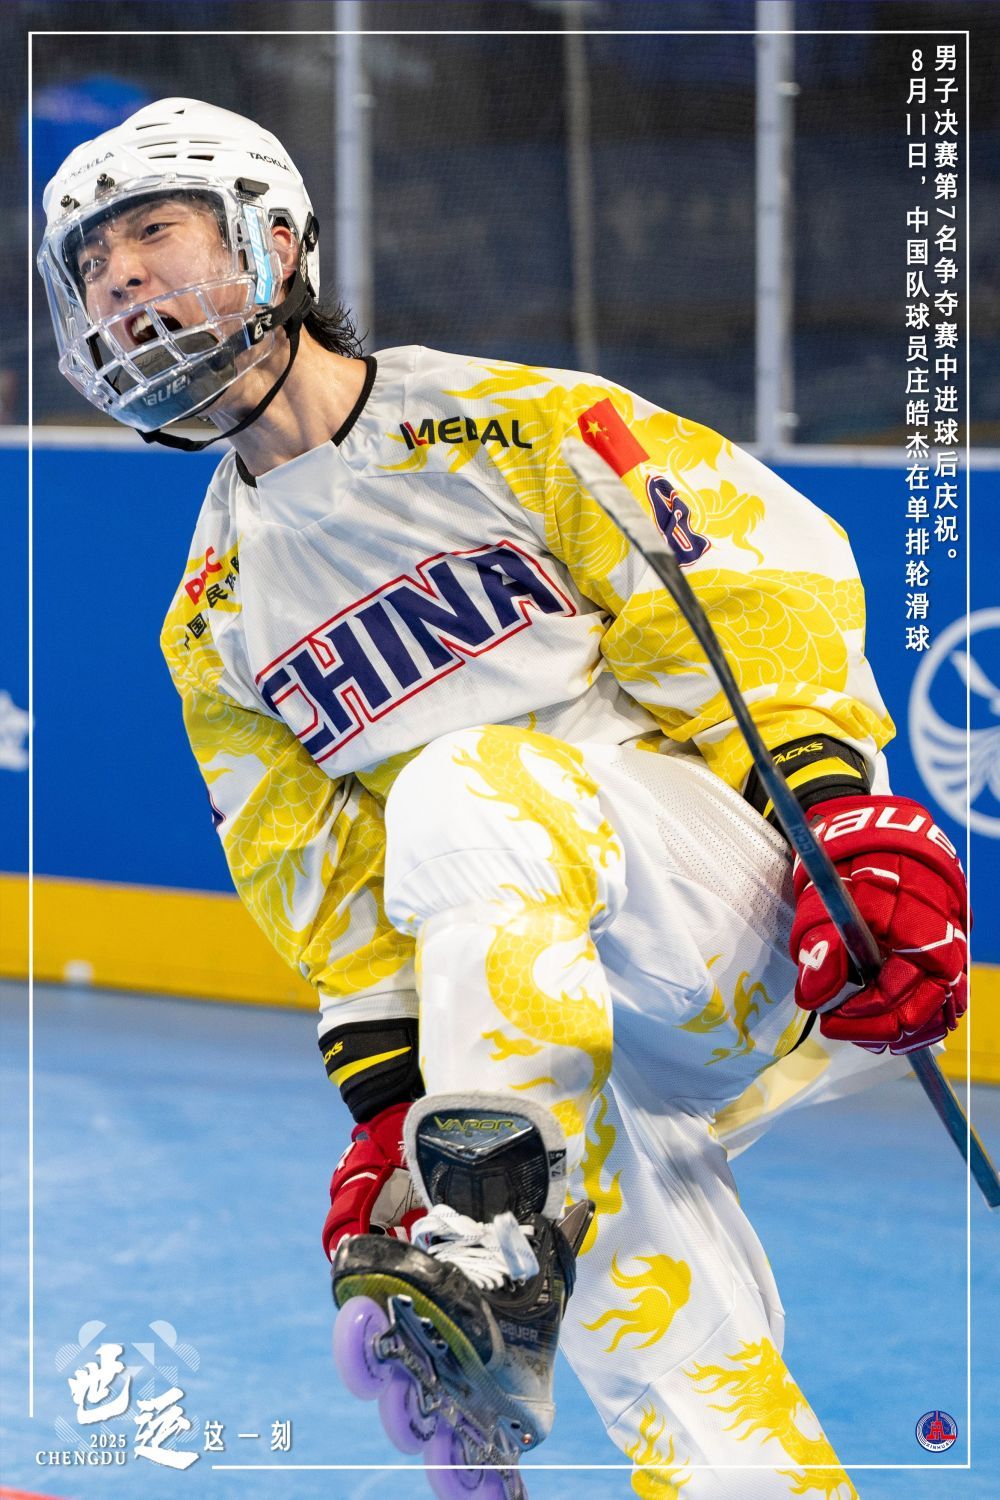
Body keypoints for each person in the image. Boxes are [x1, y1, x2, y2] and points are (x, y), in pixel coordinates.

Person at [39, 99, 968, 1500]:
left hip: (725, 921)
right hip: (547, 1033)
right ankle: (505, 1241)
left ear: (274, 241)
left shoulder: (519, 426)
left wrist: (837, 823)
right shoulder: (211, 619)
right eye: (92, 268)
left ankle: (490, 1233)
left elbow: (748, 596)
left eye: (150, 234)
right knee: (682, 1385)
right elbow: (330, 895)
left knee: (466, 780)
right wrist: (387, 1118)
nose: (119, 281)